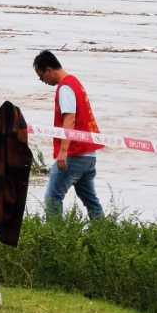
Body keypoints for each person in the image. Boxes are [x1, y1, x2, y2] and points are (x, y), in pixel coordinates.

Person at [33, 50, 105, 220]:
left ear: (49, 70)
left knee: (52, 198)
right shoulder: (75, 82)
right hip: (88, 156)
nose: (43, 81)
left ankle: (55, 238)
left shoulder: (65, 88)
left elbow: (69, 119)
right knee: (91, 201)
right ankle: (104, 233)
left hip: (74, 154)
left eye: (41, 76)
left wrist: (63, 151)